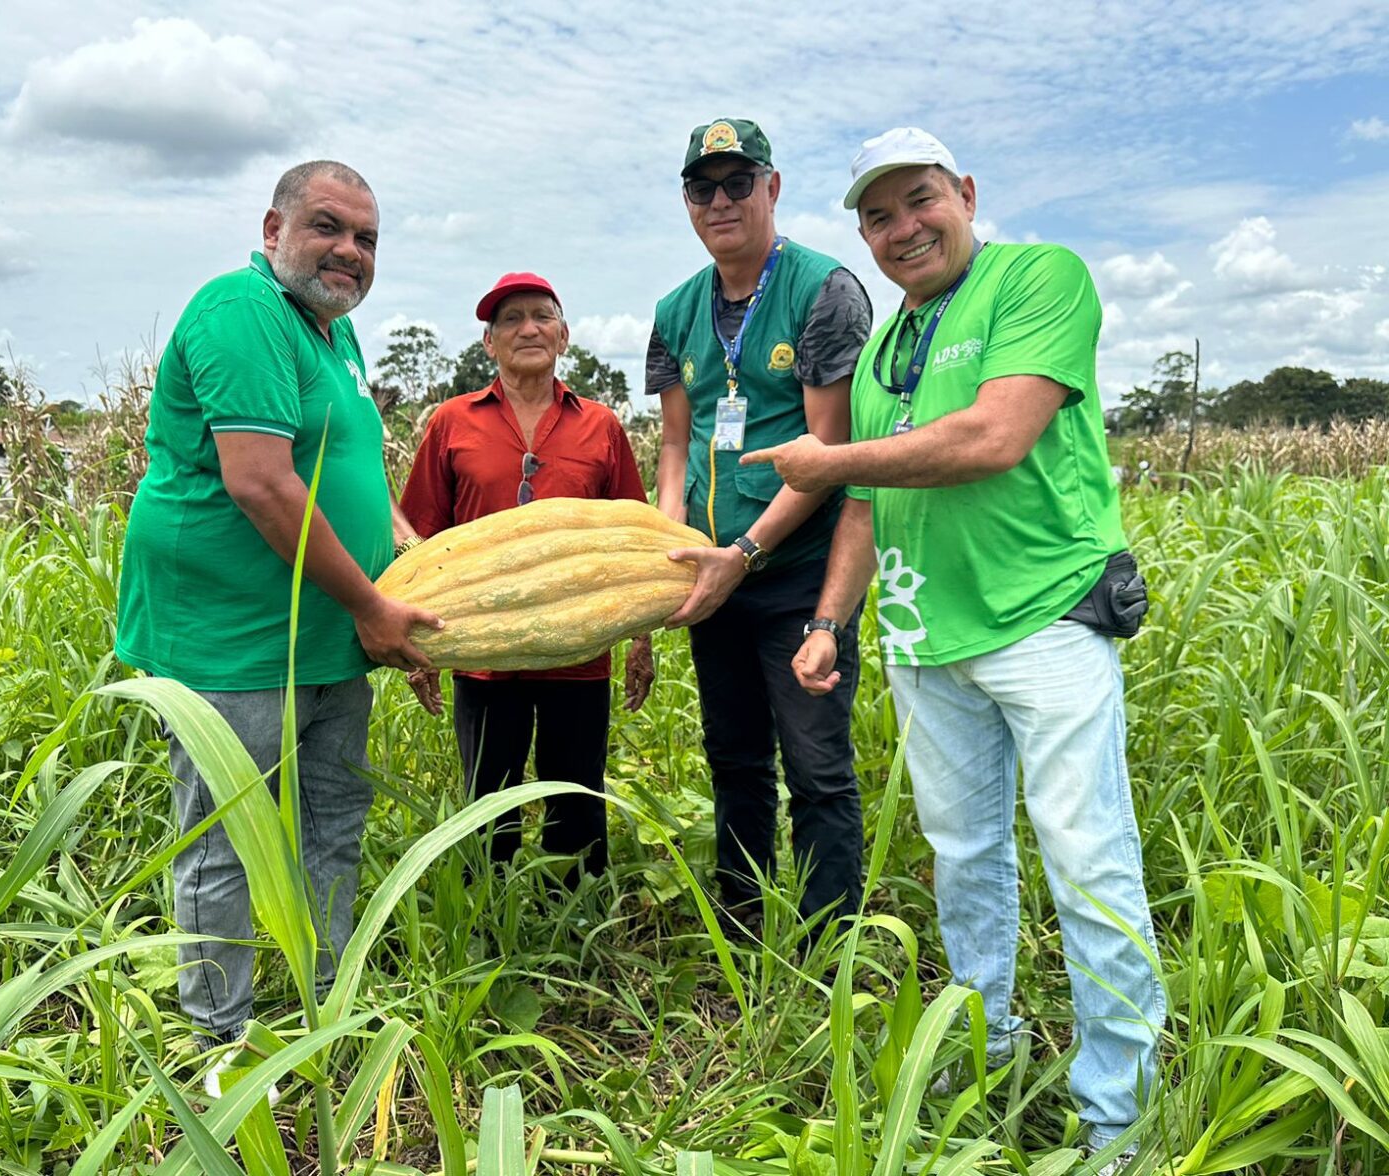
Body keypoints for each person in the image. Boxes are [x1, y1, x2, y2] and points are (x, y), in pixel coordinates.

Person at [744, 127, 1164, 1160]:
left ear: (965, 193)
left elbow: (993, 436)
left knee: (1086, 861)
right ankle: (989, 1052)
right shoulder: (888, 345)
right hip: (925, 639)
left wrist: (830, 457)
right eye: (876, 217)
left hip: (1045, 619)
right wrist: (826, 623)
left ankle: (1118, 1119)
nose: (901, 229)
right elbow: (863, 503)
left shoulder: (1038, 279)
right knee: (962, 858)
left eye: (918, 200)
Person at [114, 160, 440, 1095]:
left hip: (328, 630)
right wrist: (375, 605)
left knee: (333, 820)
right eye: (329, 227)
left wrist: (401, 557)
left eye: (367, 239)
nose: (349, 251)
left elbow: (346, 473)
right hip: (233, 636)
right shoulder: (241, 310)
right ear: (273, 228)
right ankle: (220, 1041)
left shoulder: (335, 334)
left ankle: (326, 999)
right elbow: (262, 483)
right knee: (225, 836)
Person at [645, 118, 873, 940]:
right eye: (702, 188)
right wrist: (665, 553)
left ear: (772, 188)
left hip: (797, 576)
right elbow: (677, 444)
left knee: (815, 767)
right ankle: (741, 926)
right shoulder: (676, 311)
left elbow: (831, 451)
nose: (721, 201)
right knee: (734, 759)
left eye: (739, 183)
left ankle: (828, 946)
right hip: (713, 579)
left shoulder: (823, 291)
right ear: (687, 202)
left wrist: (745, 553)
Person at [399, 272, 655, 881]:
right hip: (483, 652)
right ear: (489, 344)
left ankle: (577, 919)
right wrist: (417, 643)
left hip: (581, 650)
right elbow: (418, 535)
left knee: (578, 797)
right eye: (509, 320)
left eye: (542, 316)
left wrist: (641, 640)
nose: (528, 329)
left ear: (564, 336)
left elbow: (637, 541)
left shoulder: (602, 426)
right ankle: (490, 925)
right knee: (489, 802)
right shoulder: (451, 423)